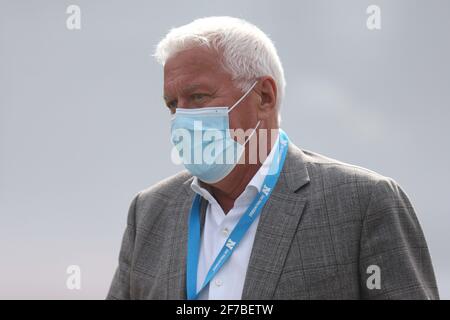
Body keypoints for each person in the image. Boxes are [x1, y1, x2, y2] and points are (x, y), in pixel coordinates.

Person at [107, 16, 439, 300]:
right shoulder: (150, 211)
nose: (182, 117)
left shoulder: (362, 202)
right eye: (172, 104)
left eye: (197, 97)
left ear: (264, 96)